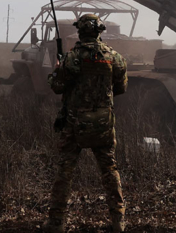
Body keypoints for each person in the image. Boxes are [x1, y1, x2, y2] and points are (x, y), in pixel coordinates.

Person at [42, 14, 128, 233]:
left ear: (79, 31)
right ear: (100, 31)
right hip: (104, 122)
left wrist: (56, 69)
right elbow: (121, 88)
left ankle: (56, 222)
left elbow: (57, 86)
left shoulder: (72, 58)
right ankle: (118, 220)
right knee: (109, 168)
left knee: (66, 170)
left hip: (74, 123)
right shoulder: (114, 57)